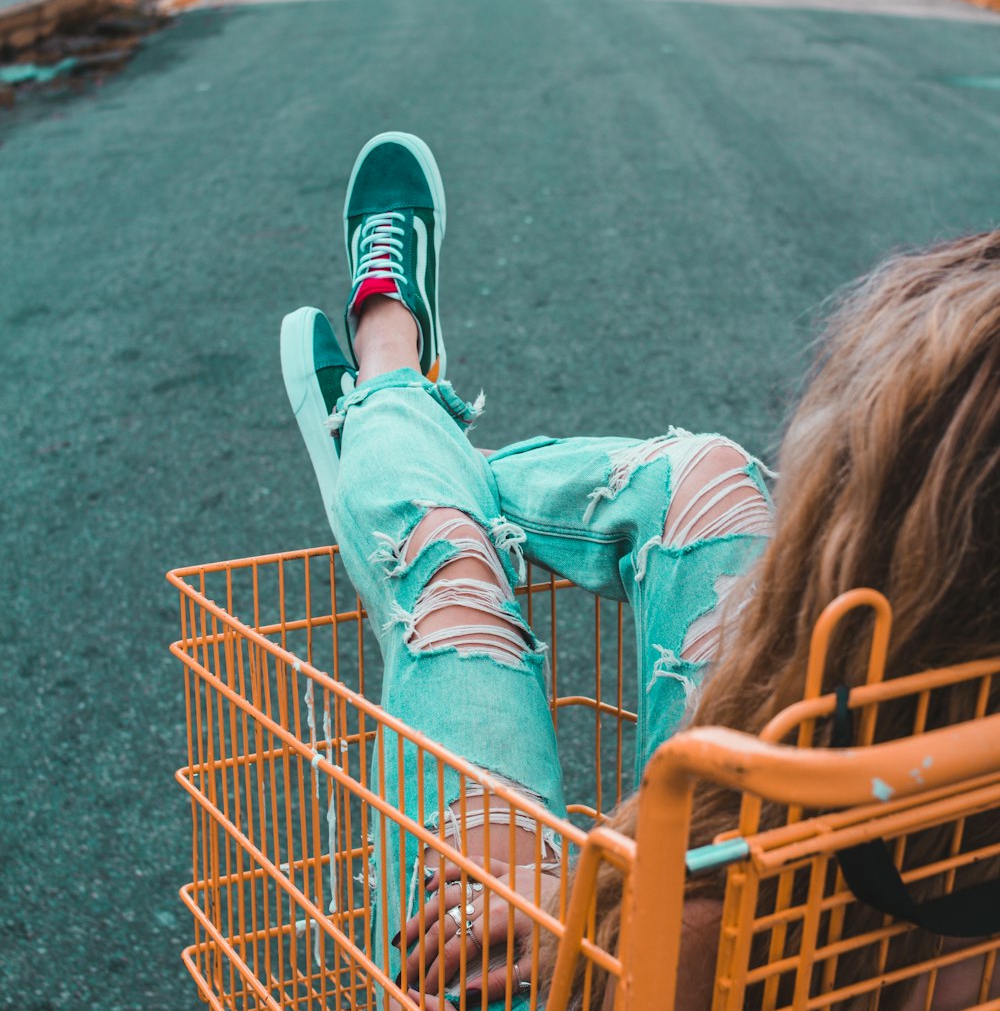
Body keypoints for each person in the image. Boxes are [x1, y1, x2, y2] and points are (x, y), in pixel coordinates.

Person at [281, 132, 1000, 1011]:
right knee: (708, 474)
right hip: (824, 828)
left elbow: (658, 962)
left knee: (452, 576)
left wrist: (576, 912)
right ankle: (410, 448)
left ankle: (389, 385)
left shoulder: (748, 916)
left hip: (618, 973)